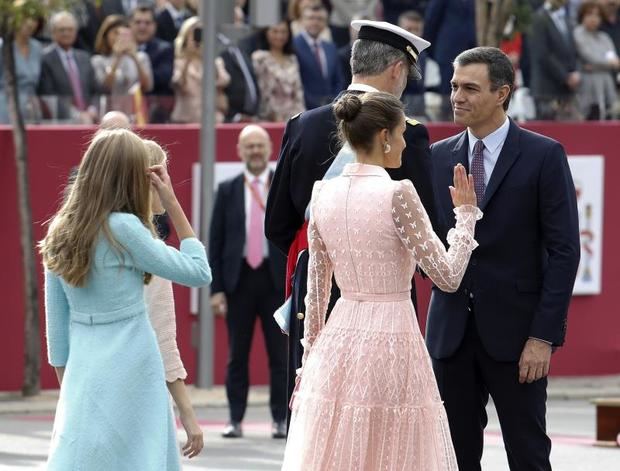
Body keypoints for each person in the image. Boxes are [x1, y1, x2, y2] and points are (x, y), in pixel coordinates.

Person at [281, 91, 480, 470]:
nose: (406, 142)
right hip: (392, 337)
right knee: (394, 451)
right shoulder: (398, 193)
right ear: (385, 136)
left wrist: (308, 362)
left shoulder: (323, 192)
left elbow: (317, 291)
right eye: (403, 133)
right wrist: (466, 216)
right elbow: (448, 276)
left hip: (337, 343)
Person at [265, 19, 439, 429]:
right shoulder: (407, 134)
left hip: (316, 295)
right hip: (386, 298)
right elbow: (426, 230)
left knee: (316, 416)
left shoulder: (302, 124)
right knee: (382, 423)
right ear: (397, 69)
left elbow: (277, 224)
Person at [428, 47, 580, 471]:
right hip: (449, 336)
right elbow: (429, 247)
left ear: (502, 93)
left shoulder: (543, 154)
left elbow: (564, 250)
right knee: (451, 458)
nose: (456, 96)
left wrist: (543, 337)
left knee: (528, 454)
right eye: (455, 85)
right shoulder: (437, 157)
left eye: (470, 88)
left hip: (518, 340)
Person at [40, 128, 211, 470]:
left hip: (83, 373)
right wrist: (174, 203)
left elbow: (56, 336)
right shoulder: (124, 228)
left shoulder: (60, 228)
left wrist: (72, 391)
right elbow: (198, 272)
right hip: (135, 367)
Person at [209, 125, 288, 439]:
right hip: (238, 282)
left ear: (269, 149)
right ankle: (234, 419)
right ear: (240, 151)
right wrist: (216, 290)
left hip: (274, 282)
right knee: (236, 356)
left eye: (260, 145)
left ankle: (281, 420)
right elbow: (215, 243)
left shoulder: (281, 186)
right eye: (249, 146)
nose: (255, 151)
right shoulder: (227, 189)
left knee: (279, 357)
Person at [143, 139, 203, 459]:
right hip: (144, 392)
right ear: (154, 180)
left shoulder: (70, 243)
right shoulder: (151, 253)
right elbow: (199, 271)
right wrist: (189, 416)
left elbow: (59, 343)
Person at [38, 11, 100, 124]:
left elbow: (95, 89)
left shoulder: (84, 57)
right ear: (53, 33)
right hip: (61, 122)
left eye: (70, 29)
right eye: (62, 30)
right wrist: (76, 115)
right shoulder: (45, 58)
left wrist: (92, 110)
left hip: (90, 120)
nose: (66, 33)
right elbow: (48, 94)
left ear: (76, 32)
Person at [423, 0, 476, 121]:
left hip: (472, 50)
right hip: (448, 50)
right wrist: (430, 48)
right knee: (448, 89)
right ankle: (446, 121)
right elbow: (431, 20)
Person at [529, 0, 582, 120]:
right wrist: (565, 77)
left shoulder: (567, 19)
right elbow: (542, 54)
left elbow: (572, 51)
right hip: (546, 91)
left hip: (566, 91)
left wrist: (575, 73)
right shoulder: (538, 18)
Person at [170, 17, 230, 123]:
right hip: (186, 119)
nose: (197, 39)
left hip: (212, 120)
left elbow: (223, 81)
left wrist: (209, 56)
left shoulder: (215, 61)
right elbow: (178, 83)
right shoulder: (180, 62)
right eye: (192, 34)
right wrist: (188, 57)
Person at [91, 15, 154, 116]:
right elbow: (104, 88)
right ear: (106, 35)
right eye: (116, 33)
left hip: (135, 113)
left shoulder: (141, 57)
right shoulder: (98, 60)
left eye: (124, 34)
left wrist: (134, 57)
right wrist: (117, 57)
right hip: (108, 114)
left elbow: (147, 87)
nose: (119, 38)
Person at [573, 1, 620, 119]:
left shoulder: (604, 37)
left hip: (607, 87)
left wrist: (593, 66)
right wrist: (606, 64)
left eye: (597, 15)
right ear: (582, 16)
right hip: (587, 88)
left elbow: (614, 61)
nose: (594, 18)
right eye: (590, 14)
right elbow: (589, 56)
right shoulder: (578, 34)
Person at [252, 20, 305, 122]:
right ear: (266, 32)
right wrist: (273, 116)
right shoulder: (260, 58)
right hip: (269, 118)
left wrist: (301, 116)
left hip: (294, 117)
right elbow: (263, 91)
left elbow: (298, 91)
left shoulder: (292, 58)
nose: (279, 36)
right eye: (275, 31)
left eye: (283, 32)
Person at [293, 5, 344, 110]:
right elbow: (297, 82)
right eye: (311, 18)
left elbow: (338, 80)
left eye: (320, 19)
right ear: (302, 20)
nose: (315, 22)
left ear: (325, 22)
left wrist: (333, 102)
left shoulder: (331, 47)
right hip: (305, 109)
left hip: (331, 108)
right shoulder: (293, 46)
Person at [0, 15, 43, 124]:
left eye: (34, 19)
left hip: (32, 108)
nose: (29, 23)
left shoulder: (37, 48)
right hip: (5, 107)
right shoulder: (3, 46)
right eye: (25, 18)